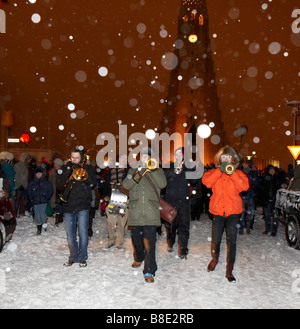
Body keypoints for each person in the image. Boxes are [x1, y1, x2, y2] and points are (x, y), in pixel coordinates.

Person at [202, 146, 249, 283]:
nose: (226, 159)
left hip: (233, 212)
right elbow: (207, 182)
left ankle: (229, 270)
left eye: (228, 157)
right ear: (220, 158)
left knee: (232, 241)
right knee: (215, 240)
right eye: (223, 157)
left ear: (232, 159)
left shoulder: (238, 173)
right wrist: (219, 171)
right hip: (217, 212)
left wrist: (232, 173)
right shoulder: (213, 172)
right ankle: (214, 260)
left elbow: (244, 186)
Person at [123, 147, 167, 283]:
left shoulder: (158, 171)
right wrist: (140, 172)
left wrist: (151, 170)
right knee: (136, 241)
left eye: (148, 156)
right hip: (136, 211)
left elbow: (162, 184)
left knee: (150, 244)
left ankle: (149, 270)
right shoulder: (133, 170)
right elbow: (126, 185)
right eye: (143, 156)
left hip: (151, 211)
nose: (145, 158)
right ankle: (138, 257)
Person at [57, 147, 96, 268]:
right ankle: (73, 256)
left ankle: (82, 257)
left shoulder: (88, 168)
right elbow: (59, 185)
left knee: (83, 233)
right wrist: (69, 174)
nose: (74, 160)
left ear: (82, 158)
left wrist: (83, 173)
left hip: (83, 205)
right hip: (68, 205)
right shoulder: (65, 168)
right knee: (70, 234)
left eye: (77, 157)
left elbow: (92, 183)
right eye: (72, 157)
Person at [163, 147, 196, 259]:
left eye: (181, 154)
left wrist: (190, 167)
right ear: (174, 155)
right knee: (171, 226)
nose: (178, 156)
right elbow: (164, 180)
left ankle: (183, 250)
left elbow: (194, 181)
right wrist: (173, 171)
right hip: (171, 201)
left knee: (184, 226)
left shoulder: (188, 166)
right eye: (177, 154)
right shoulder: (170, 166)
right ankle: (171, 243)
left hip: (184, 202)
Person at [103, 154, 129, 250]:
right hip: (113, 198)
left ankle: (120, 241)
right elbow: (105, 185)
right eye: (123, 158)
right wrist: (106, 196)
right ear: (119, 159)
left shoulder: (128, 172)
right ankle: (111, 240)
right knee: (111, 222)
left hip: (124, 198)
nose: (125, 160)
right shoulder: (111, 171)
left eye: (126, 159)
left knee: (121, 222)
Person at [26, 166, 53, 235]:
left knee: (43, 214)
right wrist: (31, 198)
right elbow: (29, 191)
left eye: (40, 174)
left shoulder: (46, 183)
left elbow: (50, 190)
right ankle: (39, 228)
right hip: (36, 202)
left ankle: (44, 225)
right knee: (37, 215)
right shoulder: (32, 183)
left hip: (43, 201)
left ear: (43, 174)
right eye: (37, 174)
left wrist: (47, 197)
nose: (38, 175)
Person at [261, 165, 282, 236]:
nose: (272, 171)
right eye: (270, 170)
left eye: (273, 170)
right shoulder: (265, 179)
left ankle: (274, 230)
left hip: (275, 200)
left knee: (275, 216)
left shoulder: (277, 179)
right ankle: (268, 229)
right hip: (267, 200)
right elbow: (262, 189)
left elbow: (281, 188)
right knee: (267, 216)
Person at [48, 158, 64, 225]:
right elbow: (49, 181)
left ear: (60, 165)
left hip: (60, 191)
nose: (55, 165)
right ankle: (56, 215)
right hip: (53, 190)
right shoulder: (52, 172)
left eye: (56, 164)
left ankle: (59, 218)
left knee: (60, 203)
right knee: (54, 203)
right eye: (54, 164)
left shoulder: (63, 172)